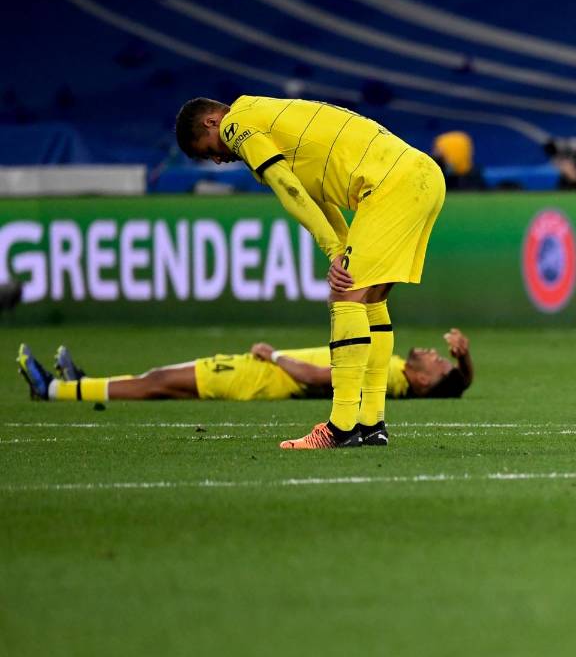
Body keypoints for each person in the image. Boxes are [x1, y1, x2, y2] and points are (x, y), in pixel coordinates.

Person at [174, 96, 446, 449]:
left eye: (207, 149)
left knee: (344, 295)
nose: (216, 158)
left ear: (212, 123)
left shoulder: (236, 124)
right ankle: (371, 424)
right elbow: (316, 196)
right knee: (370, 299)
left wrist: (335, 252)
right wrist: (342, 246)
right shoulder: (271, 119)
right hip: (421, 176)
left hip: (391, 185)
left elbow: (287, 189)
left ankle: (341, 427)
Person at [15, 329, 472, 410]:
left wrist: (273, 357)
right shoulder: (395, 371)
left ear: (421, 380)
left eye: (435, 360)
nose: (433, 353)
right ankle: (76, 386)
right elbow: (458, 387)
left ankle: (54, 390)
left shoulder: (384, 378)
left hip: (258, 376)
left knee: (157, 383)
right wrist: (463, 360)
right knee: (159, 381)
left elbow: (318, 378)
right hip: (260, 376)